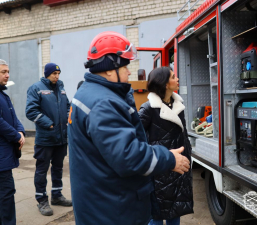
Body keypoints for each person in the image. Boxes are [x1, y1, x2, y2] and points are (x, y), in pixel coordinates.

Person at [67, 31, 190, 225]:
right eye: (125, 66)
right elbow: (127, 156)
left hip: (101, 201)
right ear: (109, 69)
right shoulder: (104, 103)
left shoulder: (89, 93)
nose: (129, 72)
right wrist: (168, 158)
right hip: (112, 210)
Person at [139, 67, 194, 225]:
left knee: (174, 213)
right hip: (159, 171)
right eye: (173, 77)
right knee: (156, 217)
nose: (177, 79)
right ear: (164, 84)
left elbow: (183, 136)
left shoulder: (178, 105)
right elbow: (135, 139)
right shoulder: (148, 108)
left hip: (178, 168)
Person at [25, 63, 72, 216]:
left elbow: (67, 106)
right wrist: (49, 124)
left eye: (58, 73)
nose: (57, 76)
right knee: (42, 170)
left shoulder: (61, 87)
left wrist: (67, 120)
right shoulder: (36, 88)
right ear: (47, 74)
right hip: (45, 138)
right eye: (54, 74)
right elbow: (31, 111)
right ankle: (41, 199)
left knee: (58, 168)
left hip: (61, 138)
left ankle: (57, 195)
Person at [0, 59, 25, 225]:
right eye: (3, 72)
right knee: (6, 195)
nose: (7, 75)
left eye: (8, 71)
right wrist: (16, 136)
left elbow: (13, 117)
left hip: (5, 155)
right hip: (1, 159)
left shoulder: (3, 95)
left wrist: (21, 130)